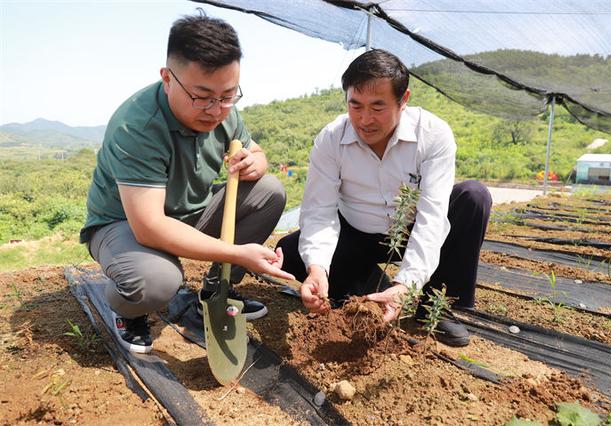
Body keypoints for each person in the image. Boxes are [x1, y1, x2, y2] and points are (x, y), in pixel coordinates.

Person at [80, 12, 294, 354]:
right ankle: (127, 309)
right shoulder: (137, 126)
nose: (216, 110)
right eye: (202, 96)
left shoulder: (225, 112)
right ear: (167, 78)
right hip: (126, 224)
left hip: (187, 213)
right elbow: (150, 227)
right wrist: (238, 253)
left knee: (269, 191)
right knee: (157, 282)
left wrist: (256, 161)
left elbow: (257, 151)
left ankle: (215, 293)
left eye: (227, 95)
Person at [276, 49, 492, 347]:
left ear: (403, 101)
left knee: (473, 197)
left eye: (378, 107)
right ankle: (368, 285)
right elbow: (319, 210)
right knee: (289, 253)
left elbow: (432, 218)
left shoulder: (433, 135)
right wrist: (316, 268)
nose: (364, 119)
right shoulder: (331, 138)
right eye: (356, 105)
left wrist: (407, 284)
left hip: (408, 229)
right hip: (355, 230)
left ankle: (434, 306)